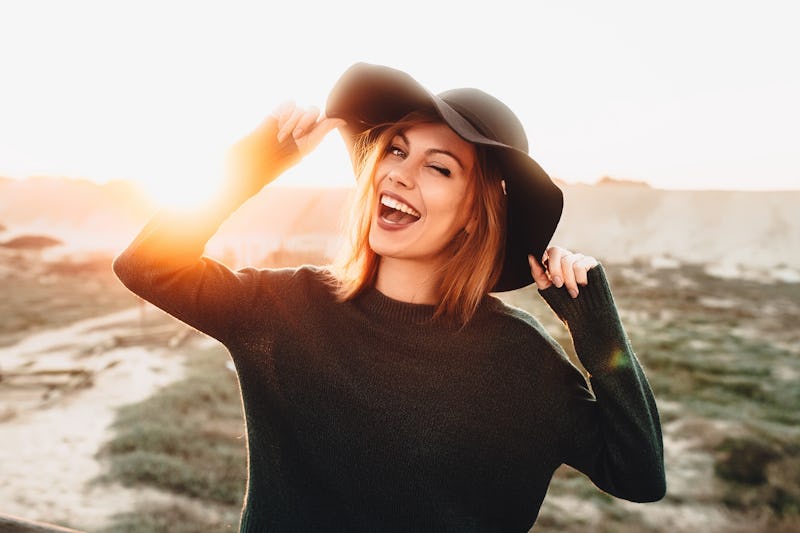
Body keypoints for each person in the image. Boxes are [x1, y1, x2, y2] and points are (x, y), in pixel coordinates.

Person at [113, 62, 665, 532]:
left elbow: (638, 475)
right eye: (396, 150)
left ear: (475, 216)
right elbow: (147, 264)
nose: (399, 174)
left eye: (438, 167)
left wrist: (596, 329)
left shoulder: (519, 358)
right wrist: (257, 162)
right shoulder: (286, 309)